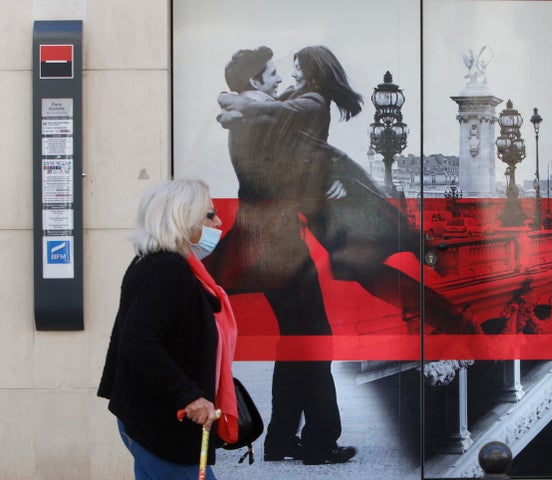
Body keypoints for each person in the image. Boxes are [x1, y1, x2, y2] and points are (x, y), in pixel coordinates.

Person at [214, 45, 481, 335]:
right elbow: (274, 138)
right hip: (313, 211)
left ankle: (448, 302)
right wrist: (231, 104)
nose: (286, 76)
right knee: (364, 275)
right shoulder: (291, 100)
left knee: (365, 272)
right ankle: (450, 309)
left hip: (332, 202)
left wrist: (233, 104)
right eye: (276, 72)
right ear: (254, 82)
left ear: (312, 73)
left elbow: (272, 114)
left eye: (296, 68)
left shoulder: (312, 102)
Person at [205, 46, 357, 466]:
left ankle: (282, 441)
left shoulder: (252, 119)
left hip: (265, 240)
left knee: (296, 339)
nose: (279, 80)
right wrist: (325, 185)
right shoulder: (257, 123)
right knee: (313, 338)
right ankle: (319, 442)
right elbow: (276, 180)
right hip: (278, 246)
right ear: (255, 82)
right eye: (272, 74)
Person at [98, 179, 238, 479]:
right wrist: (188, 396)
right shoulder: (168, 270)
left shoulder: (153, 263)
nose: (219, 221)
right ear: (182, 219)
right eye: (209, 215)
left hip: (150, 420)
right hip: (164, 425)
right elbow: (137, 339)